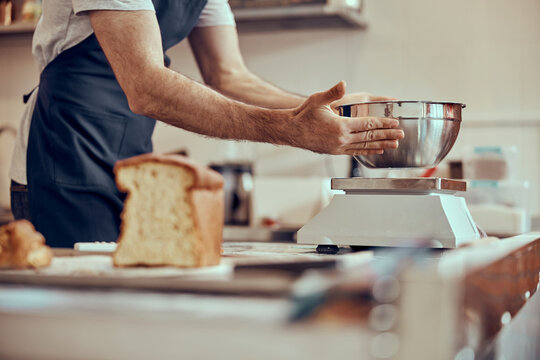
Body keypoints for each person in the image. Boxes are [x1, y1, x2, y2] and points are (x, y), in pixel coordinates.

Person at [9, 0, 404, 248]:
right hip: (63, 151)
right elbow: (145, 86)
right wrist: (288, 129)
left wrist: (322, 109)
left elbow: (230, 74)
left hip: (129, 156)